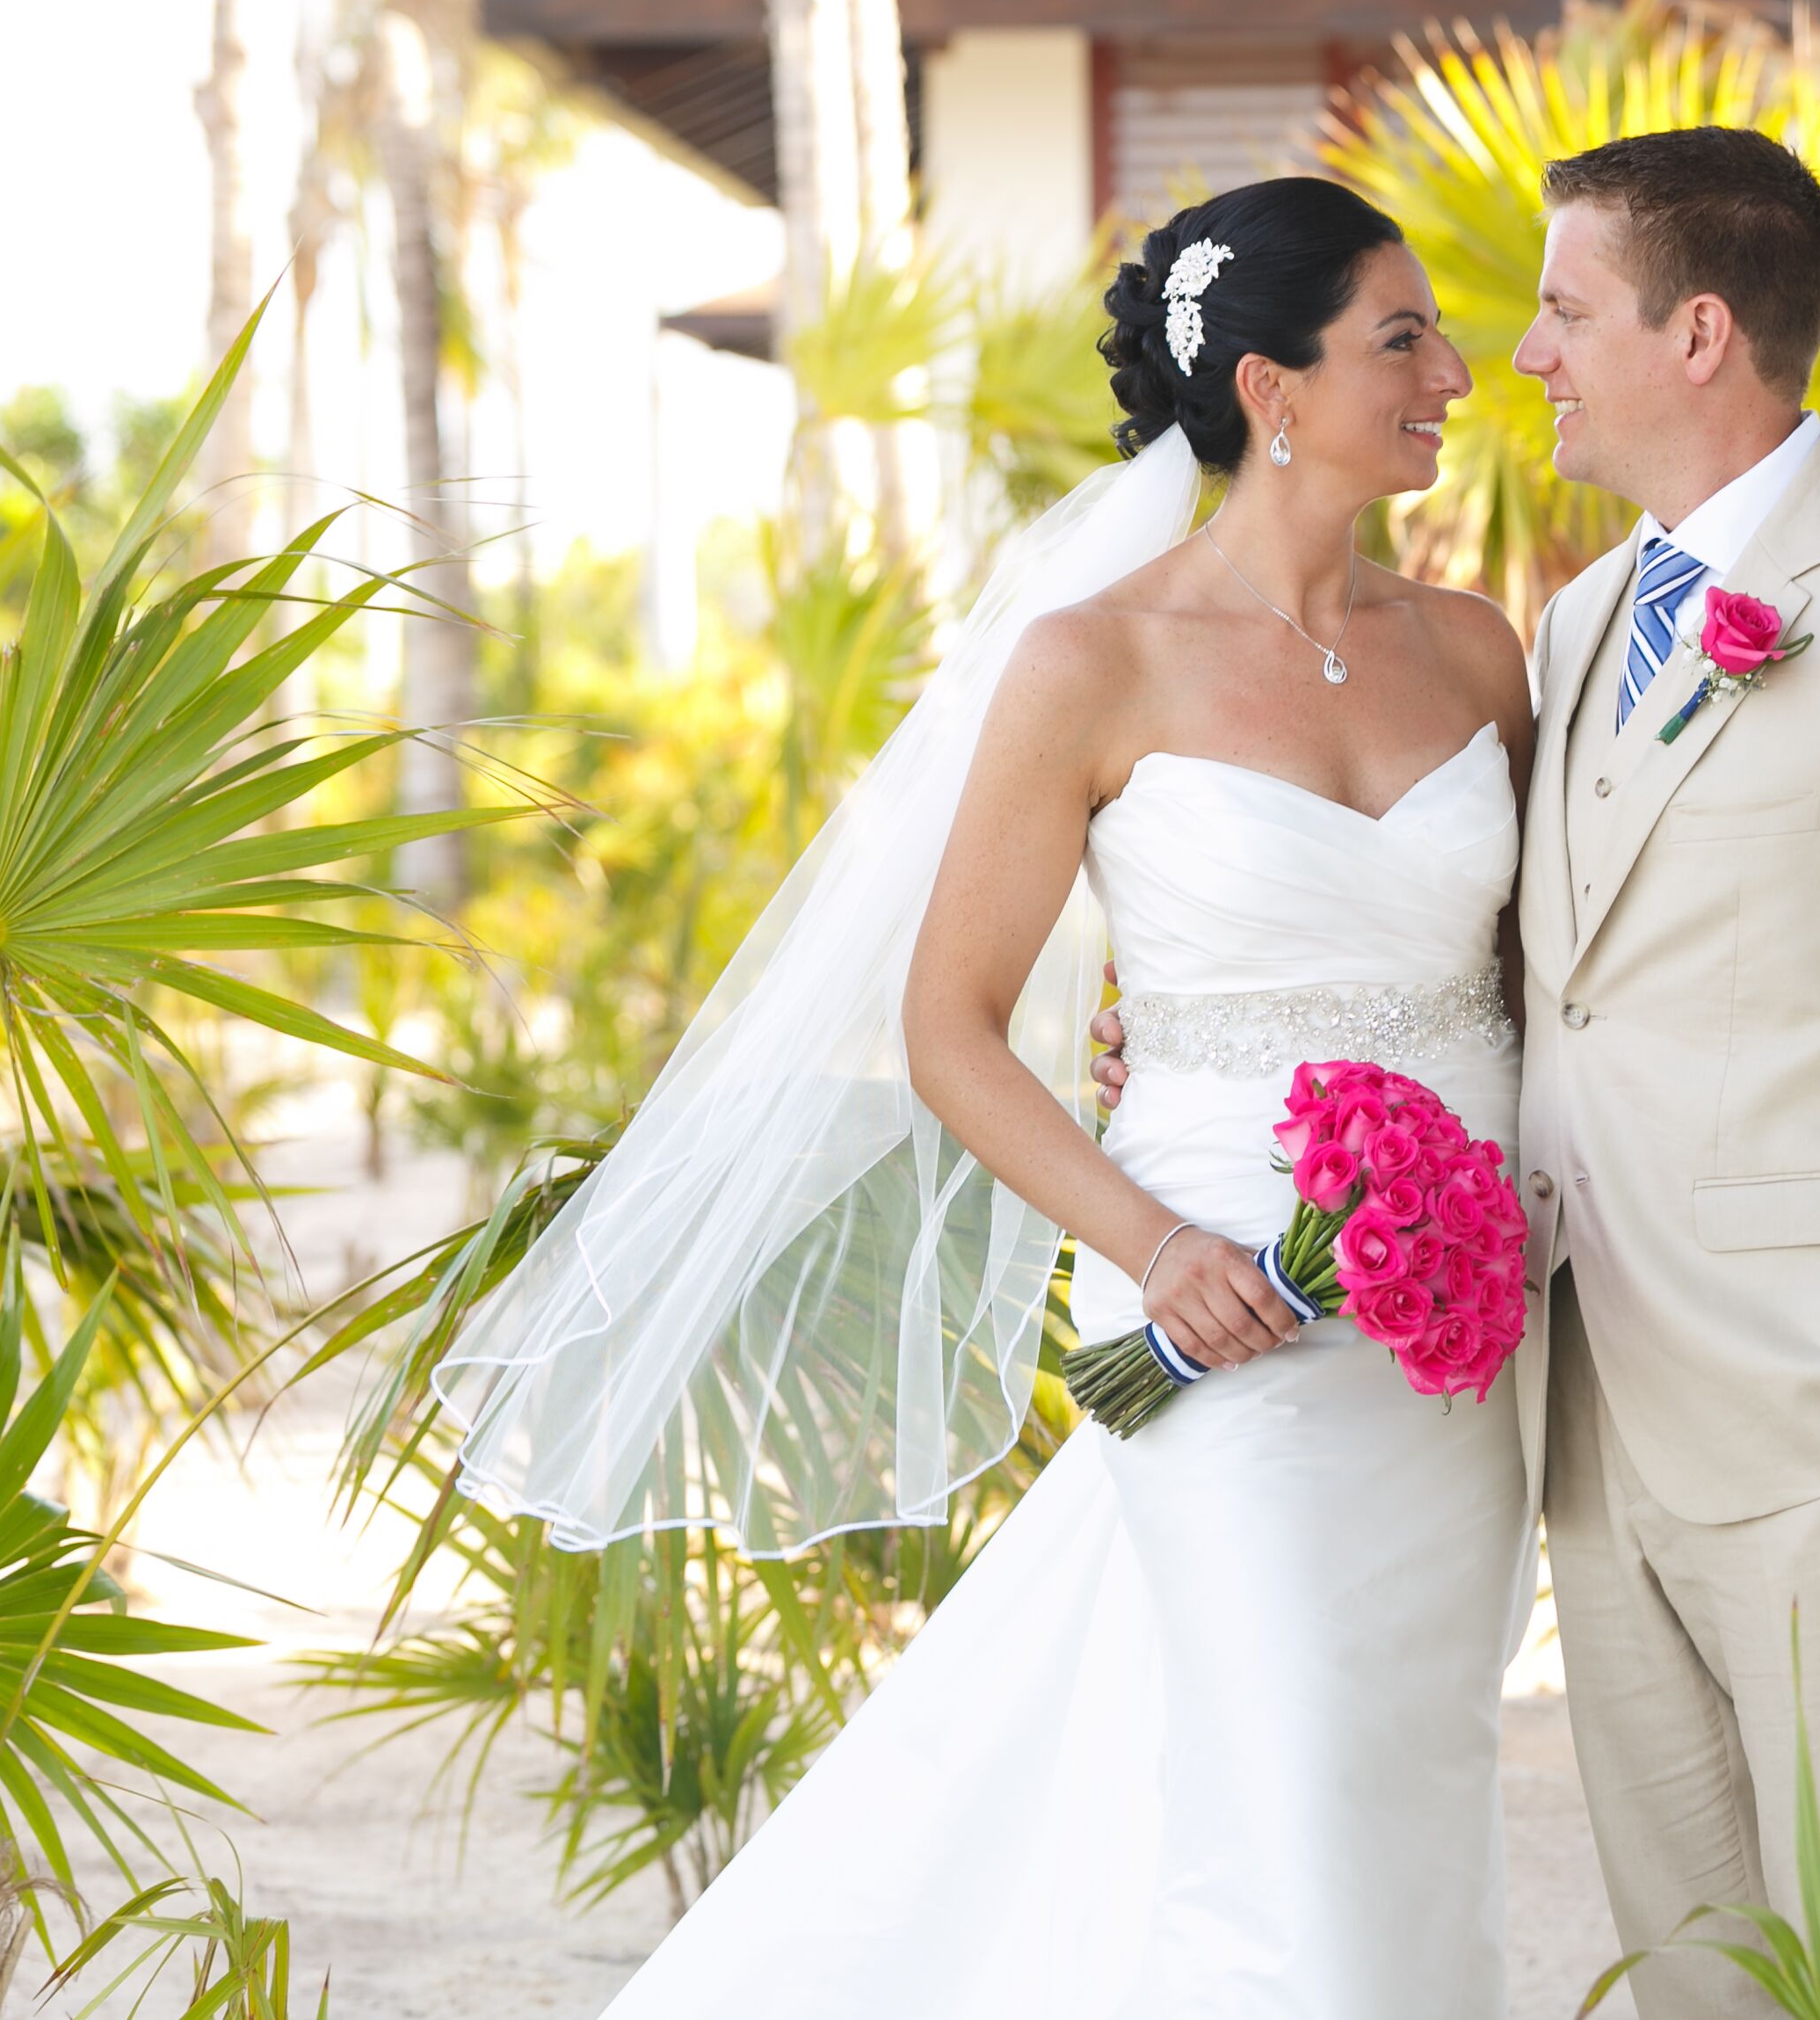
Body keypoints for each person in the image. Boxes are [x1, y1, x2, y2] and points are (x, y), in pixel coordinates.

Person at [436, 175, 1548, 2016]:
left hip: (1450, 1334)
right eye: (1402, 337)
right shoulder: (1090, 663)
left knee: (1409, 1797)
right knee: (1285, 1808)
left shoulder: (1476, 650)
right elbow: (947, 1021)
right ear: (1269, 388)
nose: (1454, 370)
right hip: (1221, 1311)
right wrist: (1156, 1239)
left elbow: (1525, 982)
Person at [1093, 127, 1820, 2020]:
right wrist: (1204, 1014)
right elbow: (1526, 974)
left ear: (1700, 332)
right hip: (1584, 1417)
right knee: (1700, 1973)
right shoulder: (1572, 627)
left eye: (1566, 309)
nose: (1524, 353)